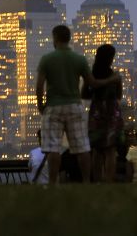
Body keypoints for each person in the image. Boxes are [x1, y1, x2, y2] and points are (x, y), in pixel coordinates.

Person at [35, 24, 101, 185]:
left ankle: (52, 183)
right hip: (74, 105)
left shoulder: (47, 59)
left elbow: (39, 86)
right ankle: (86, 181)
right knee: (82, 147)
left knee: (53, 147)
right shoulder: (79, 59)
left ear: (55, 38)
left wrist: (41, 105)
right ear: (69, 38)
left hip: (53, 106)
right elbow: (92, 82)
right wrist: (112, 79)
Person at [86, 43, 123, 182]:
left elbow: (85, 93)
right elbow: (119, 96)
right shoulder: (115, 76)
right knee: (110, 150)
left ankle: (97, 181)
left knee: (96, 149)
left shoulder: (92, 74)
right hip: (112, 112)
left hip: (96, 112)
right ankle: (108, 181)